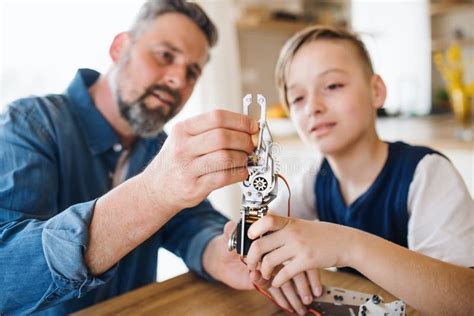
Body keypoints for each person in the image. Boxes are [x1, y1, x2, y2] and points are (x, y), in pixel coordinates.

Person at [0, 1, 257, 314]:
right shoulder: (30, 125)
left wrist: (221, 251)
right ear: (120, 48)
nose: (178, 79)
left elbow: (192, 222)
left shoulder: (157, 147)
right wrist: (152, 195)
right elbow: (6, 275)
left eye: (192, 72)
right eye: (165, 55)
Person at [244, 25, 474, 315]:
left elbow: (466, 301)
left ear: (376, 91)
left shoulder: (426, 173)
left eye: (332, 86)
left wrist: (348, 245)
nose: (313, 106)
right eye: (298, 98)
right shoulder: (315, 178)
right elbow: (261, 232)